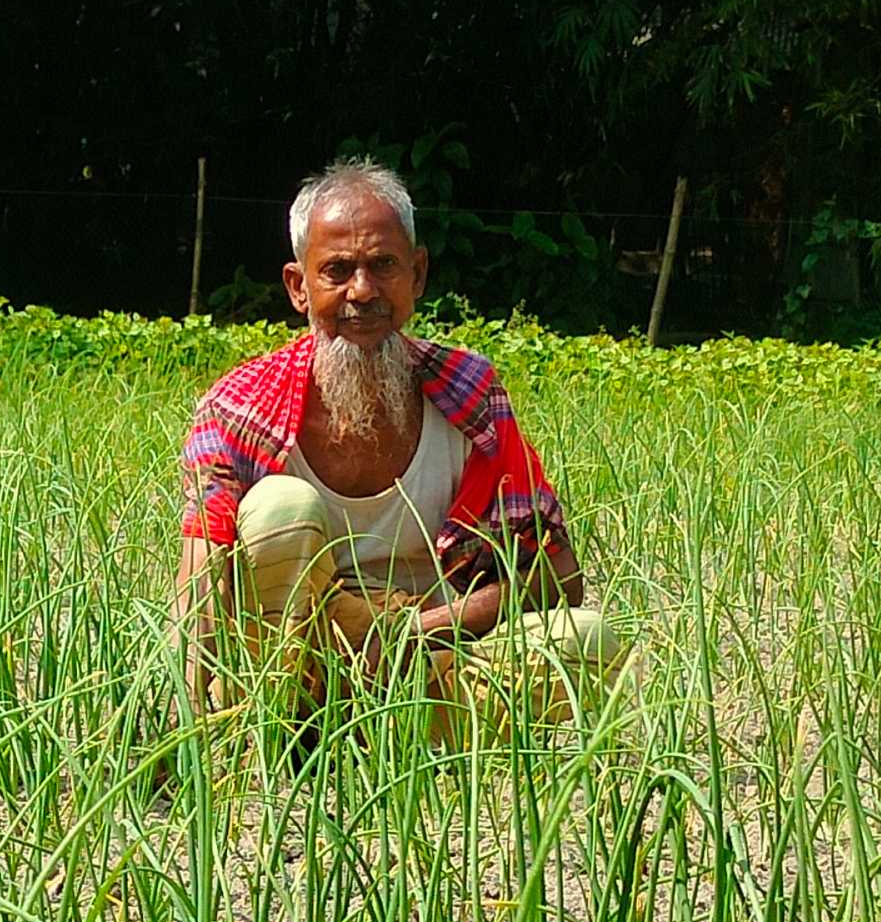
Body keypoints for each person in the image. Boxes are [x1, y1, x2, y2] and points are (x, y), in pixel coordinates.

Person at [174, 158, 627, 738]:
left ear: (416, 275)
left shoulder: (471, 399)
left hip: (431, 660)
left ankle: (386, 731)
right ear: (298, 287)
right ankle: (291, 726)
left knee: (590, 641)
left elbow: (556, 576)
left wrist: (420, 631)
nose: (362, 292)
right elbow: (203, 569)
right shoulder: (237, 409)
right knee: (279, 507)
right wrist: (182, 717)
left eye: (383, 266)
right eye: (337, 270)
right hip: (292, 664)